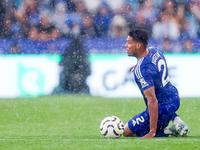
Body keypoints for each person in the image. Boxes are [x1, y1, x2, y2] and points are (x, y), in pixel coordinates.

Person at [123, 29, 189, 138]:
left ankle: (170, 130)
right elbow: (152, 67)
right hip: (174, 97)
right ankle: (178, 121)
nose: (126, 45)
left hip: (162, 107)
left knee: (127, 132)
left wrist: (152, 131)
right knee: (163, 98)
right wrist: (139, 66)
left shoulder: (142, 70)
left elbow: (152, 100)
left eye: (129, 42)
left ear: (138, 45)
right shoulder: (155, 50)